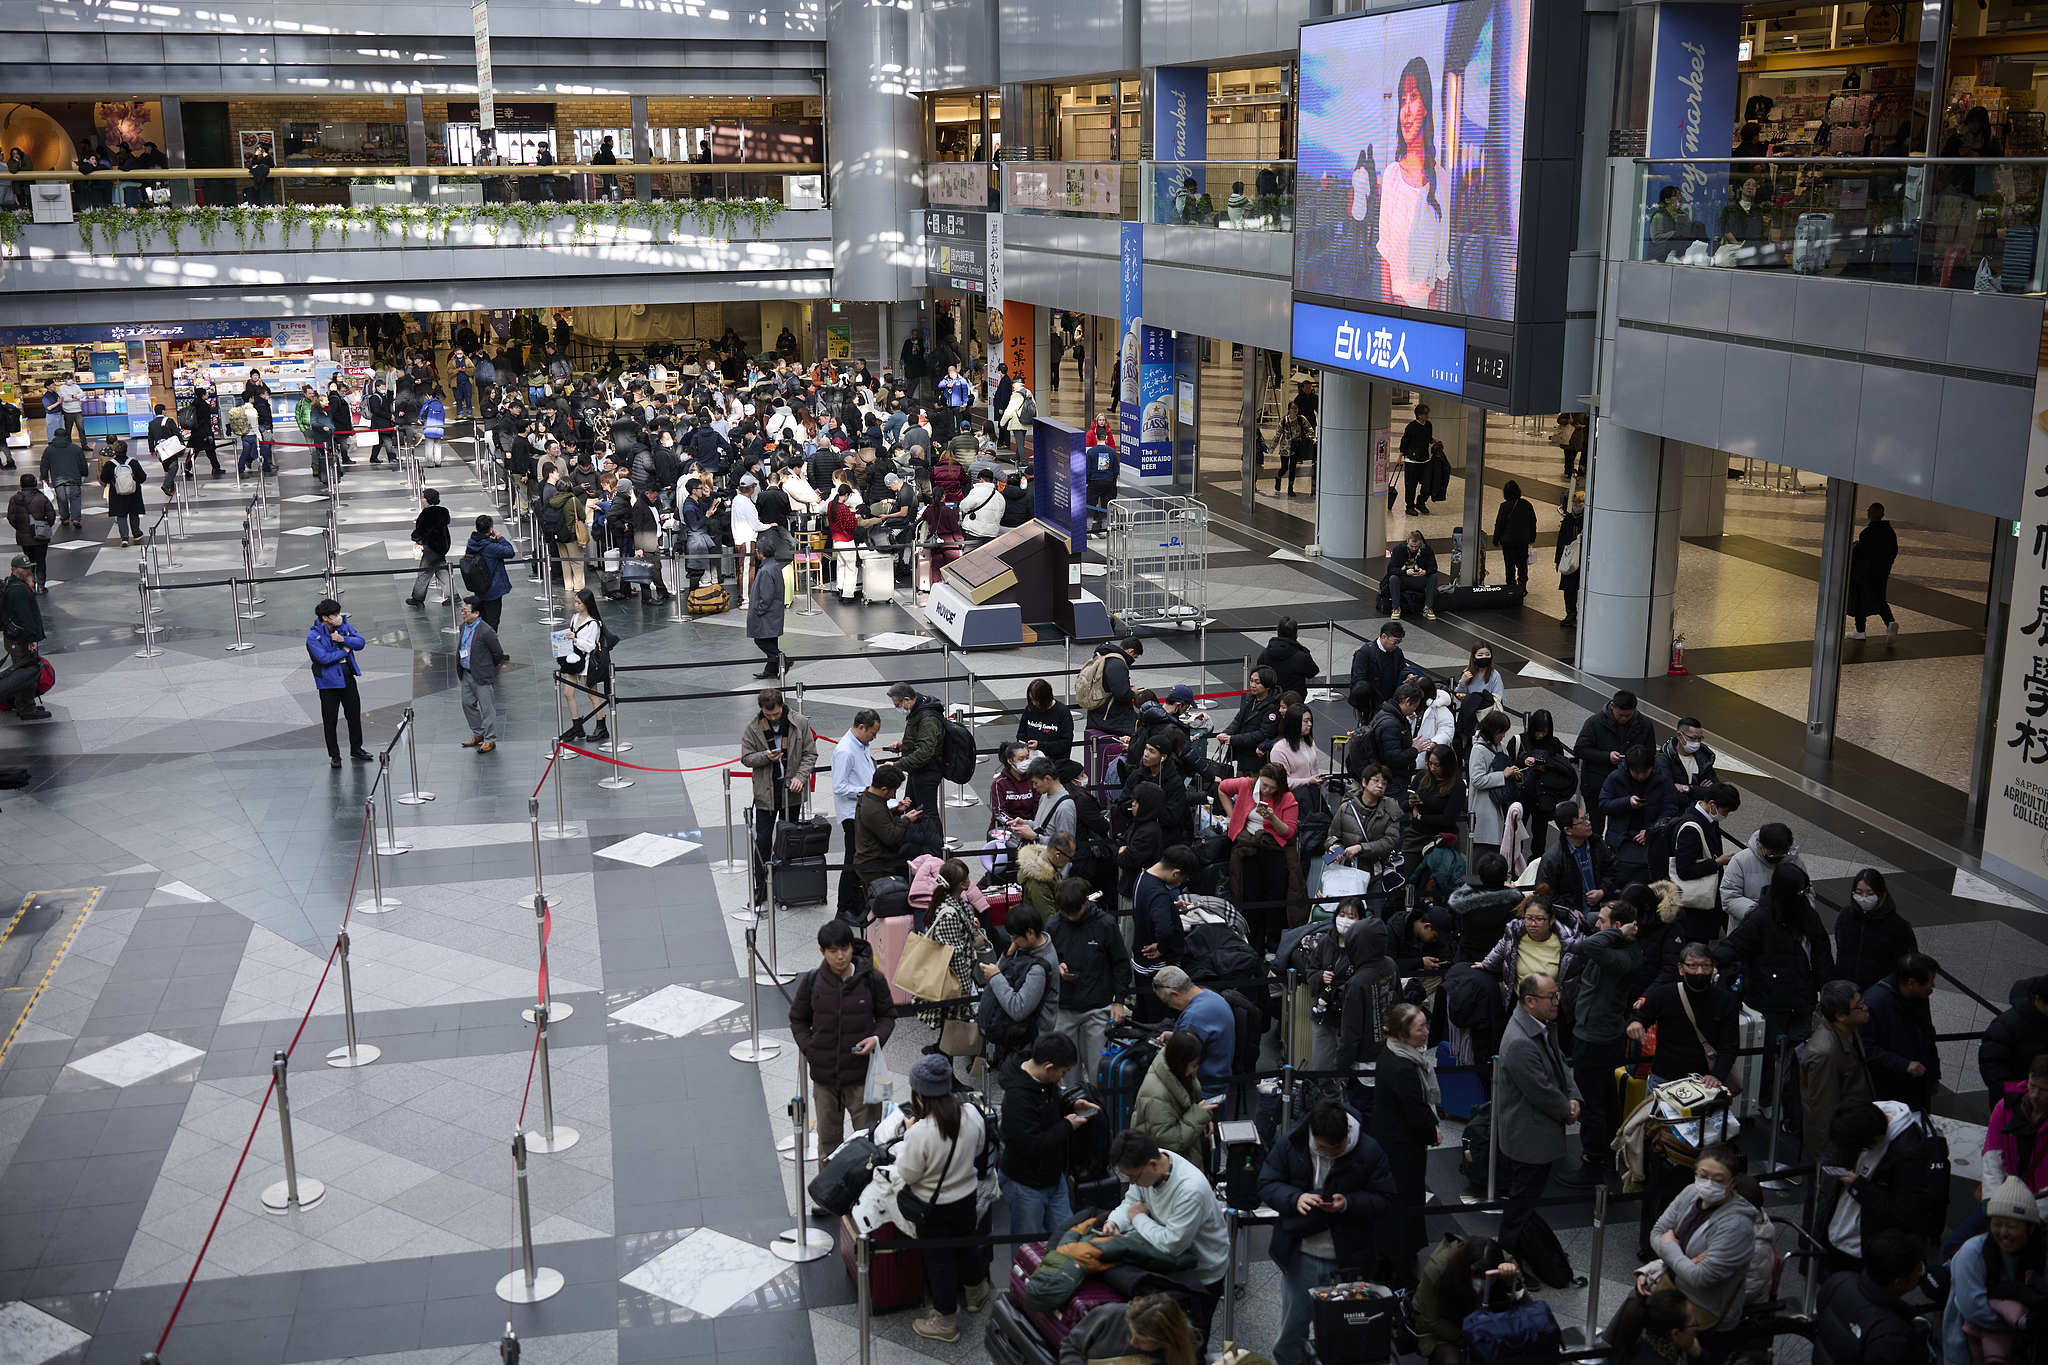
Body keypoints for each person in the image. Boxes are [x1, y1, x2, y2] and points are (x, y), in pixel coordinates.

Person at [1261, 1098, 1398, 1365]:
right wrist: (1295, 1198)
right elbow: (1267, 1182)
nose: (1331, 1154)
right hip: (1300, 1254)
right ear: (1313, 1136)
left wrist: (1348, 1203)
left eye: (1337, 1148)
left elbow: (1385, 1198)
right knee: (1291, 1331)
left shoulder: (1369, 1150)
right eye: (1324, 1149)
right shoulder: (1291, 1143)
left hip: (1349, 1258)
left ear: (1348, 1133)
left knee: (1346, 1333)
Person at [1716, 862, 1834, 1137]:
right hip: (1770, 999)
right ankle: (1767, 1099)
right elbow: (1734, 947)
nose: (1803, 896)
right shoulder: (1761, 918)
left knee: (1798, 1054)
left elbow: (1821, 952)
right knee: (1768, 1053)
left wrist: (1826, 987)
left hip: (1800, 997)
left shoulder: (1805, 913)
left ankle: (1791, 1102)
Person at [1102, 1129, 1231, 1347]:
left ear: (1153, 1164)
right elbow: (1131, 1202)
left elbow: (1172, 1244)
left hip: (1202, 1275)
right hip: (1171, 1267)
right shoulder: (1151, 1166)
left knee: (1190, 1343)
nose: (1131, 1182)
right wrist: (1115, 1221)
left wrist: (1137, 1218)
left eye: (1134, 1176)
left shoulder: (1190, 1189)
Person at [898, 1054, 991, 1343]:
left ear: (919, 1093)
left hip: (933, 1208)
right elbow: (978, 1151)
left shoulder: (921, 1132)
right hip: (966, 1196)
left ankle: (945, 1321)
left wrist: (908, 1136)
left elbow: (908, 1174)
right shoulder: (972, 1114)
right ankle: (976, 1293)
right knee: (966, 1245)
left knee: (939, 1262)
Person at [788, 919, 895, 1158]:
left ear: (852, 947)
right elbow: (798, 1019)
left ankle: (866, 1192)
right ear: (822, 952)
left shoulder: (872, 979)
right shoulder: (813, 981)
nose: (840, 956)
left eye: (844, 949)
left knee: (868, 1141)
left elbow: (888, 1015)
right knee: (828, 1143)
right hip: (825, 1081)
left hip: (862, 1078)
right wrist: (810, 1048)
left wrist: (876, 1038)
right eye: (833, 951)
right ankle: (829, 1193)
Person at [1497, 972, 1580, 1271]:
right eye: (1552, 997)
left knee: (1526, 1199)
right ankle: (1507, 1256)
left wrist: (1573, 1095)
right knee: (1521, 1203)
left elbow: (1559, 1062)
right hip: (1528, 1136)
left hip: (1536, 1131)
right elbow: (1540, 1090)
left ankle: (1518, 1251)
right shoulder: (1520, 1041)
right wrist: (1567, 1109)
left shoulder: (1537, 1025)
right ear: (1529, 1001)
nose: (1557, 1002)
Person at [1817, 1099, 1950, 1274]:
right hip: (1837, 1232)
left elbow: (1903, 1212)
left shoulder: (1909, 1153)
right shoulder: (1859, 1119)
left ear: (1871, 1141)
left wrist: (1859, 1186)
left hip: (1863, 1247)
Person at [1636, 1143, 1758, 1329]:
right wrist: (1687, 1262)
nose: (1708, 1184)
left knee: (1642, 1317)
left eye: (1718, 1179)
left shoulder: (1736, 1225)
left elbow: (1700, 1277)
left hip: (1704, 1306)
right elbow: (1657, 1231)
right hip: (1673, 1286)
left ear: (1732, 1183)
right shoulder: (1691, 1193)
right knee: (1633, 1304)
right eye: (1703, 1175)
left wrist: (1669, 1246)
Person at [1569, 900, 1642, 1184]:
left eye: (1603, 921)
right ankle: (1604, 1157)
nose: (1596, 925)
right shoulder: (1615, 946)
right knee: (1603, 1099)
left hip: (1597, 1038)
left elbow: (1591, 946)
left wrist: (1619, 933)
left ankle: (1593, 1162)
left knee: (1594, 1102)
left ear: (1617, 928)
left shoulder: (1623, 956)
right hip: (1591, 1031)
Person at [998, 1032, 1096, 1238]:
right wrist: (1067, 1126)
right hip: (1025, 1185)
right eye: (1063, 1072)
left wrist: (1070, 1104)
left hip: (1053, 1177)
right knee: (1027, 1248)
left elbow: (1049, 1106)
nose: (1063, 1078)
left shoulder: (1043, 1080)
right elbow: (1031, 1144)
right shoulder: (1017, 1098)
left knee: (1067, 1239)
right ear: (1048, 1067)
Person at [1370, 1002, 1441, 1278]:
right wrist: (1431, 1129)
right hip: (1401, 1145)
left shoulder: (1393, 1053)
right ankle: (1400, 1256)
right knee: (1405, 1197)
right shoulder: (1403, 1067)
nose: (1425, 1032)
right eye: (1420, 1027)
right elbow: (1415, 1109)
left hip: (1390, 1137)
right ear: (1403, 1034)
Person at [1943, 1176, 2046, 1365]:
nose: (2003, 1232)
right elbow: (1975, 1310)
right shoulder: (1972, 1253)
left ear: (2030, 1228)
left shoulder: (2038, 1254)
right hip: (1967, 1351)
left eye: (2012, 1226)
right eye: (1997, 1224)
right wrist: (2022, 1324)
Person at [1051, 877, 1131, 1084]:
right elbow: (1044, 958)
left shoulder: (1105, 924)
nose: (1069, 917)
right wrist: (1055, 965)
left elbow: (1121, 963)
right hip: (1064, 1009)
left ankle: (1100, 1112)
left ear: (1086, 902)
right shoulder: (1054, 925)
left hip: (1097, 1008)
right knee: (1066, 1075)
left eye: (1073, 912)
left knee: (1098, 1073)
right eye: (1065, 912)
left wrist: (1119, 1001)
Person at [740, 687, 816, 903]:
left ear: (783, 706)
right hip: (766, 793)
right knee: (762, 840)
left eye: (776, 714)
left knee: (789, 839)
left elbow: (810, 754)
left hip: (790, 792)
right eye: (768, 714)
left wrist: (800, 777)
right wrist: (765, 756)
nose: (773, 718)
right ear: (762, 710)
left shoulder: (799, 722)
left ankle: (787, 884)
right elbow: (746, 758)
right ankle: (761, 887)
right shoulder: (753, 728)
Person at [1629, 941, 1741, 1089]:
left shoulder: (1726, 1001)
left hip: (1704, 1082)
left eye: (1706, 966)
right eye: (1693, 966)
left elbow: (1730, 1045)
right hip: (1664, 1080)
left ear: (1713, 968)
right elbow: (1642, 1017)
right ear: (1681, 969)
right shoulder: (1662, 995)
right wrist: (1636, 1023)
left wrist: (1716, 1075)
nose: (1699, 971)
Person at [1816, 1229, 1925, 1365]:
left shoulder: (1839, 1280)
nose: (1921, 1273)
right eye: (1918, 1269)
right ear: (1899, 1283)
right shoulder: (1892, 1336)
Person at [1219, 763, 1298, 951]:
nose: (1267, 790)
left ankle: (1273, 942)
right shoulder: (1246, 785)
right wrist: (1233, 817)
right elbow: (1222, 789)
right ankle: (1254, 943)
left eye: (1272, 787)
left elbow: (1288, 832)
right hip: (1248, 848)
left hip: (1274, 850)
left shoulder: (1287, 798)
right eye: (1264, 785)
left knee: (1274, 898)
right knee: (1250, 896)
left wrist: (1272, 818)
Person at [1413, 1237, 1527, 1365]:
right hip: (1447, 1328)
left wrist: (1512, 1284)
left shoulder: (1505, 1265)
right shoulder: (1438, 1269)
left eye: (1487, 1277)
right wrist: (1470, 1337)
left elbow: (1527, 1310)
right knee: (1451, 1361)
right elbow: (1429, 1320)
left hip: (1490, 1325)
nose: (1480, 1282)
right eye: (1475, 1274)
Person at [1803, 980, 1876, 1161]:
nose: (1866, 1008)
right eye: (1859, 1006)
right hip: (1837, 1148)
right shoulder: (1825, 1053)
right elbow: (1821, 1112)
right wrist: (1828, 1160)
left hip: (1852, 1133)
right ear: (1841, 1016)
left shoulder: (1849, 1030)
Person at [1864, 953, 1939, 1110]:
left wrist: (1933, 1074)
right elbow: (1867, 1049)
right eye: (1930, 982)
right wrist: (1904, 1065)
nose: (1933, 986)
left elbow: (1927, 1034)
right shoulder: (1875, 1004)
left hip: (1920, 1080)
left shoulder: (1919, 995)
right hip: (1894, 1088)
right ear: (1911, 983)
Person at [1150, 966, 1234, 1102]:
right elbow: (1202, 1037)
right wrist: (1175, 1036)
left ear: (1174, 994)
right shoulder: (1211, 996)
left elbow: (1178, 1065)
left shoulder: (1193, 1018)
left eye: (1167, 1002)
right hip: (1219, 1081)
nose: (1169, 1006)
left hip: (1202, 1091)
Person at [1599, 745, 1680, 885]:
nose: (1641, 776)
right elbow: (1603, 804)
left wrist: (1651, 830)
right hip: (1620, 839)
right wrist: (1627, 802)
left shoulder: (1663, 779)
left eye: (1645, 772)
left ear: (1652, 767)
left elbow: (1671, 808)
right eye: (1636, 772)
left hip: (1651, 840)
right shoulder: (1616, 777)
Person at [830, 709, 882, 922]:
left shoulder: (861, 746)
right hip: (852, 815)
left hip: (864, 811)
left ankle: (857, 902)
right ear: (862, 727)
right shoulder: (845, 751)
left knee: (861, 860)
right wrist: (869, 791)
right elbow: (839, 787)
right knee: (852, 861)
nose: (874, 737)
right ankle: (844, 908)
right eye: (873, 732)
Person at [305, 598, 371, 767]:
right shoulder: (313, 637)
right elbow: (324, 659)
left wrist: (344, 640)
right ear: (325, 617)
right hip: (328, 683)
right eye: (334, 614)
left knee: (354, 715)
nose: (338, 616)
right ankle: (334, 755)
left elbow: (361, 642)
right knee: (330, 720)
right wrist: (344, 652)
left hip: (348, 678)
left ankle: (357, 748)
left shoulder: (343, 628)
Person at [1134, 1029, 1214, 1165]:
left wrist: (1203, 1116)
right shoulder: (1156, 1095)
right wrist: (1199, 1116)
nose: (1195, 1070)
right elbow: (1169, 1141)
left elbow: (1191, 1104)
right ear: (1180, 1062)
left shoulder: (1179, 1070)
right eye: (1193, 1065)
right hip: (1164, 1168)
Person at [1835, 868, 1918, 992]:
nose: (1864, 898)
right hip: (1847, 992)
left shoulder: (1898, 926)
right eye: (1859, 892)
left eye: (1869, 893)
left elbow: (1907, 963)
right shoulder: (1845, 917)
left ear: (1881, 894)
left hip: (1878, 994)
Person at [1058, 1295, 1200, 1365]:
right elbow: (1072, 1345)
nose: (1132, 1342)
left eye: (1142, 1341)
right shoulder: (1110, 1314)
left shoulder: (1183, 1351)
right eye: (1131, 1332)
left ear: (1165, 1342)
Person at [1575, 690, 1657, 810]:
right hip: (1597, 782)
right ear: (1612, 706)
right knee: (1596, 825)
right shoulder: (1595, 722)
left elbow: (1650, 753)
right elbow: (1580, 749)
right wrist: (1607, 756)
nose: (1623, 719)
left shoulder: (1645, 725)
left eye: (1628, 716)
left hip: (1631, 785)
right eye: (1620, 715)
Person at [888, 680, 948, 838]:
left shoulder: (927, 718)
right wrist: (903, 746)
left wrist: (897, 765)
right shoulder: (918, 710)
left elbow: (925, 751)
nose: (897, 708)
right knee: (912, 809)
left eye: (897, 704)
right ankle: (917, 846)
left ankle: (936, 849)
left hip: (928, 771)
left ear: (907, 699)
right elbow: (921, 740)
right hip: (918, 770)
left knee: (928, 813)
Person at [1982, 1057, 2048, 1201]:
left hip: (2041, 1201)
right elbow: (1992, 1155)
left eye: (2044, 1090)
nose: (2035, 1095)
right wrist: (1992, 1199)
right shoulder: (2007, 1106)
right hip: (2005, 1191)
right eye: (2032, 1085)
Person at [747, 489, 796, 678]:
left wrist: (759, 610)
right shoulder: (774, 566)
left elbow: (766, 595)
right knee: (771, 641)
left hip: (767, 613)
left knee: (762, 641)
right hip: (774, 612)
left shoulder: (767, 570)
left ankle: (783, 659)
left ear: (761, 553)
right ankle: (771, 670)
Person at [852, 762, 923, 891]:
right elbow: (891, 837)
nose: (894, 794)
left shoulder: (869, 796)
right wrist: (906, 820)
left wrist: (897, 810)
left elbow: (879, 822)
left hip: (871, 862)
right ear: (884, 789)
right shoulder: (873, 808)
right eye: (894, 790)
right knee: (882, 904)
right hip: (875, 866)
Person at [1719, 821, 1804, 929]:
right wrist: (1761, 914)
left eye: (1782, 853)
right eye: (1772, 853)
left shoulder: (1795, 861)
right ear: (1760, 844)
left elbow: (1807, 892)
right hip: (1749, 929)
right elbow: (1729, 897)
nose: (1776, 857)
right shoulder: (1740, 861)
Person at [1132, 847, 1199, 973]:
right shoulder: (1160, 894)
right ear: (1175, 873)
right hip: (1158, 964)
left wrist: (1171, 906)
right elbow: (1164, 930)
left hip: (1140, 956)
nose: (1181, 883)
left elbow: (1146, 908)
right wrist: (1162, 948)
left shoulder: (1142, 877)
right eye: (1183, 879)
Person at [1982, 977, 2048, 1102]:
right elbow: (1994, 1073)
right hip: (2016, 1106)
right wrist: (2022, 1095)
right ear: (2038, 1000)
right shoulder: (2006, 1026)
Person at [1, 554, 49, 721]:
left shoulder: (14, 584)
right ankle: (27, 709)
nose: (28, 570)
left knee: (23, 672)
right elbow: (25, 617)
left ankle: (22, 704)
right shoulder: (18, 590)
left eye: (29, 567)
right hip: (21, 639)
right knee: (26, 675)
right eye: (24, 568)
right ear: (14, 569)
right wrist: (31, 640)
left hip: (16, 637)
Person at [455, 596, 506, 753]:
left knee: (487, 708)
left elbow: (498, 653)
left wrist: (488, 668)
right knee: (467, 703)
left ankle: (490, 739)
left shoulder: (486, 631)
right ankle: (479, 733)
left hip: (482, 674)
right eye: (462, 610)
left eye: (465, 610)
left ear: (476, 613)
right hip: (467, 673)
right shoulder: (463, 627)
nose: (462, 613)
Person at [1217, 665, 1282, 777]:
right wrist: (1226, 733)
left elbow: (1264, 733)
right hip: (1242, 754)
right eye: (1251, 681)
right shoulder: (1248, 698)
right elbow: (1238, 720)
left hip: (1257, 757)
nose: (1252, 685)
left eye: (1257, 682)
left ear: (1267, 685)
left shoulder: (1273, 707)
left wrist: (1234, 739)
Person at [1607, 1289, 1702, 1365]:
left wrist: (1699, 1354)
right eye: (1693, 1324)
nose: (1697, 1328)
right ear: (1675, 1334)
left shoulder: (1642, 1342)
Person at [1847, 503, 1899, 640]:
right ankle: (1890, 622)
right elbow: (1894, 551)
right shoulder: (1889, 532)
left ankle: (1860, 630)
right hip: (1882, 573)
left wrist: (1855, 547)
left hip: (1865, 574)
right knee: (1880, 599)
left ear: (1869, 514)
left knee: (1859, 600)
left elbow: (1861, 554)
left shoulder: (1867, 533)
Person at [463, 515, 517, 629]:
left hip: (479, 586)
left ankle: (481, 642)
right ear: (490, 529)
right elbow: (510, 552)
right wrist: (500, 538)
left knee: (481, 620)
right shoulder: (491, 547)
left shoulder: (472, 543)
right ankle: (489, 644)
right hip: (493, 589)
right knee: (492, 622)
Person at [406, 488, 454, 607]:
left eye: (423, 497)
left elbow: (421, 531)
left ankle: (417, 598)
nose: (422, 500)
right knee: (442, 571)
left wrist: (416, 539)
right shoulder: (443, 511)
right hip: (442, 546)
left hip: (432, 547)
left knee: (424, 572)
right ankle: (453, 596)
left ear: (427, 499)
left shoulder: (426, 514)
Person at [1656, 718, 1720, 806]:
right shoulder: (1664, 759)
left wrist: (1687, 789)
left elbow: (1716, 791)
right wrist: (1700, 791)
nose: (1697, 742)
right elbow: (1668, 792)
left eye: (1700, 739)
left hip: (1700, 812)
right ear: (1679, 735)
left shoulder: (1704, 758)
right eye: (1693, 738)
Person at [6, 475, 53, 593]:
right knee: (41, 561)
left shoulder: (14, 499)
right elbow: (51, 515)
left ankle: (30, 585)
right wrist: (45, 526)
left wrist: (20, 528)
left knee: (28, 561)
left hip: (24, 536)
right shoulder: (41, 498)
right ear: (34, 483)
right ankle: (41, 586)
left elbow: (11, 517)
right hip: (40, 536)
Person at [1383, 529, 1439, 620]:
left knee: (1433, 577)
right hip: (1404, 578)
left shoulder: (1426, 550)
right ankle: (1396, 608)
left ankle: (1428, 608)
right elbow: (1391, 569)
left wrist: (1425, 571)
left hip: (1419, 578)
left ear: (1420, 543)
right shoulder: (1399, 549)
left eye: (1416, 547)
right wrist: (1405, 572)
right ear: (1407, 541)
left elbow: (1434, 567)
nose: (1413, 549)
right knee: (1393, 578)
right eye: (1411, 546)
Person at [39, 427, 87, 532]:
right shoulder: (75, 448)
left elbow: (44, 465)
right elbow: (82, 463)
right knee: (75, 498)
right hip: (74, 478)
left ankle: (65, 518)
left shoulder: (49, 450)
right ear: (66, 436)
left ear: (55, 436)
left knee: (61, 499)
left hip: (58, 479)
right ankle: (76, 518)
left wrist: (44, 478)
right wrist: (84, 473)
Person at [99, 439, 147, 546]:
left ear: (114, 451)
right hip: (133, 493)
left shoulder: (110, 464)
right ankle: (137, 533)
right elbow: (142, 477)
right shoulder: (133, 462)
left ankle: (124, 537)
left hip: (117, 493)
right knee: (134, 513)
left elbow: (104, 479)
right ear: (126, 449)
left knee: (121, 515)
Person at [1257, 617, 1320, 695]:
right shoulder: (1301, 656)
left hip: (1271, 697)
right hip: (1294, 698)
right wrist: (1303, 649)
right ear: (1296, 634)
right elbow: (1313, 672)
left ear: (1277, 632)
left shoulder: (1265, 653)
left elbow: (1259, 673)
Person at [1557, 487, 1585, 628]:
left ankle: (1581, 614)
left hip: (1582, 560)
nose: (1577, 504)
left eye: (1580, 502)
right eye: (1575, 502)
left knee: (1581, 588)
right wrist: (1557, 560)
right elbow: (1561, 540)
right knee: (1568, 589)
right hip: (1568, 558)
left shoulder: (1587, 520)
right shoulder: (1568, 518)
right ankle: (1570, 613)